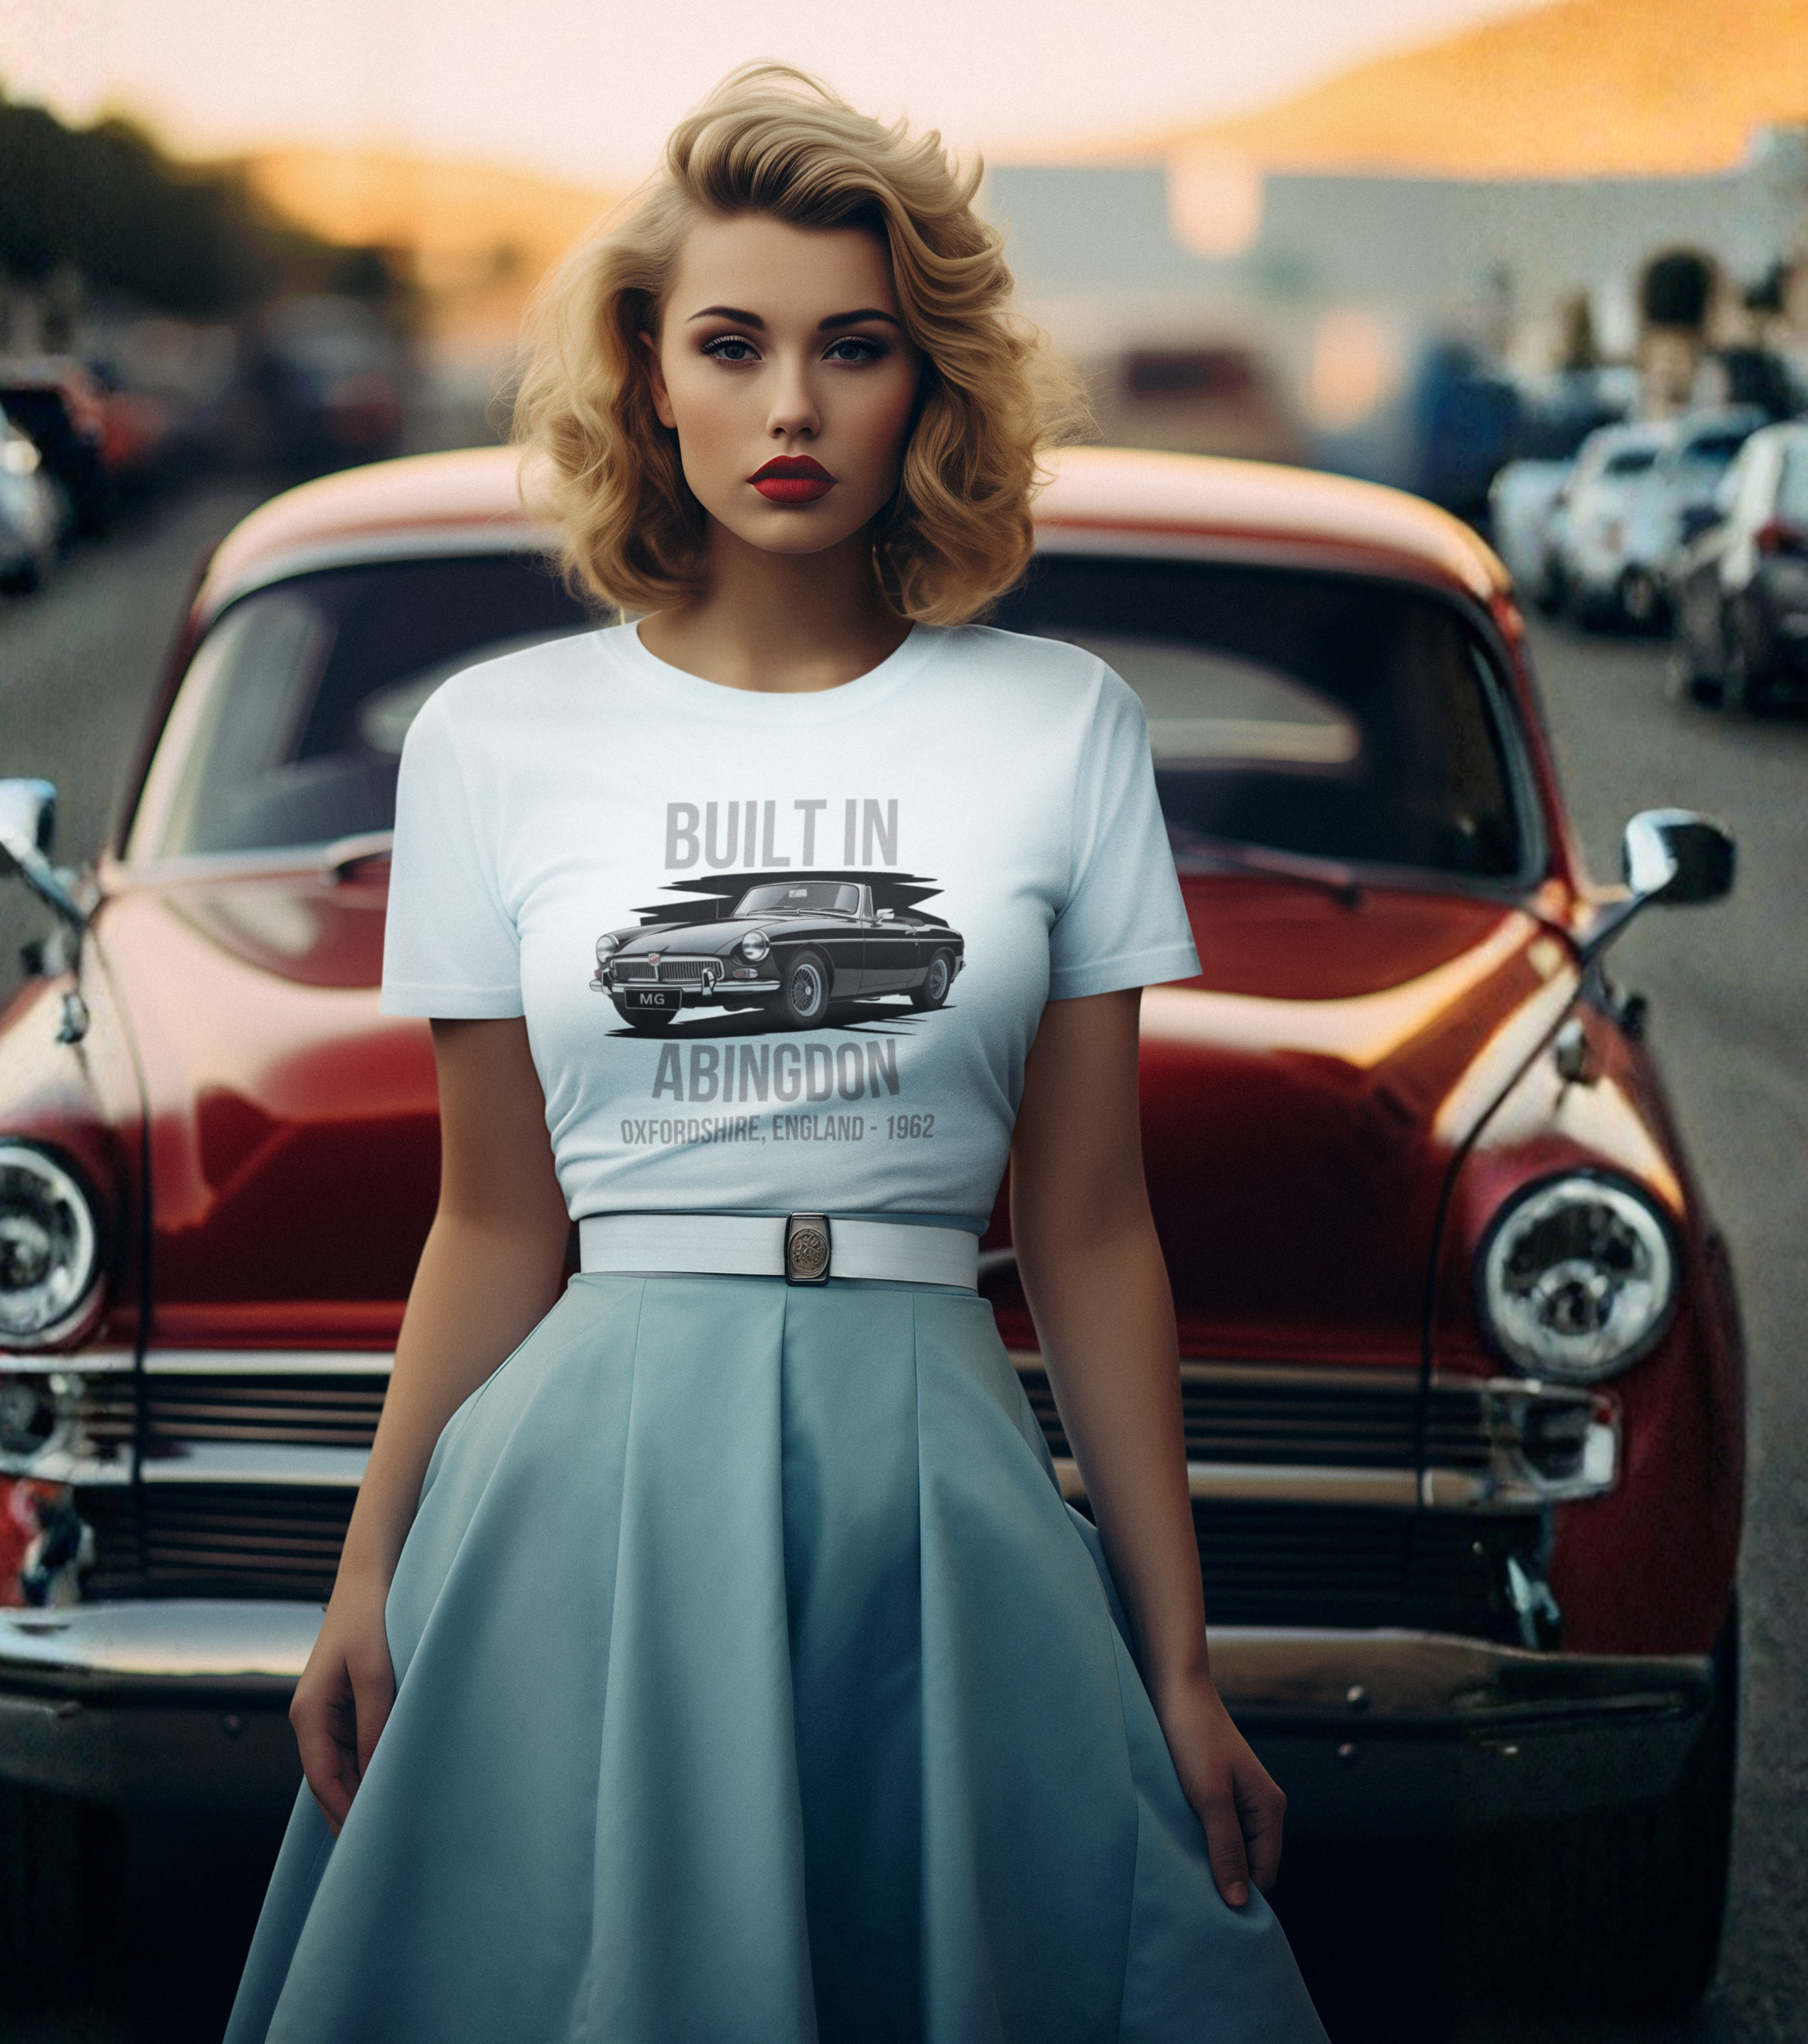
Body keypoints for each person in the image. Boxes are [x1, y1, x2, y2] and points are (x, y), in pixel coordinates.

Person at [225, 64, 1328, 2043]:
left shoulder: (1062, 723)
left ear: (932, 388)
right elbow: (493, 1221)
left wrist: (1179, 1654)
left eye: (857, 349)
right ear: (650, 374)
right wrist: (364, 1567)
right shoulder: (494, 737)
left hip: (939, 1477)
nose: (793, 408)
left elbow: (1085, 1230)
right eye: (731, 345)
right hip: (581, 1487)